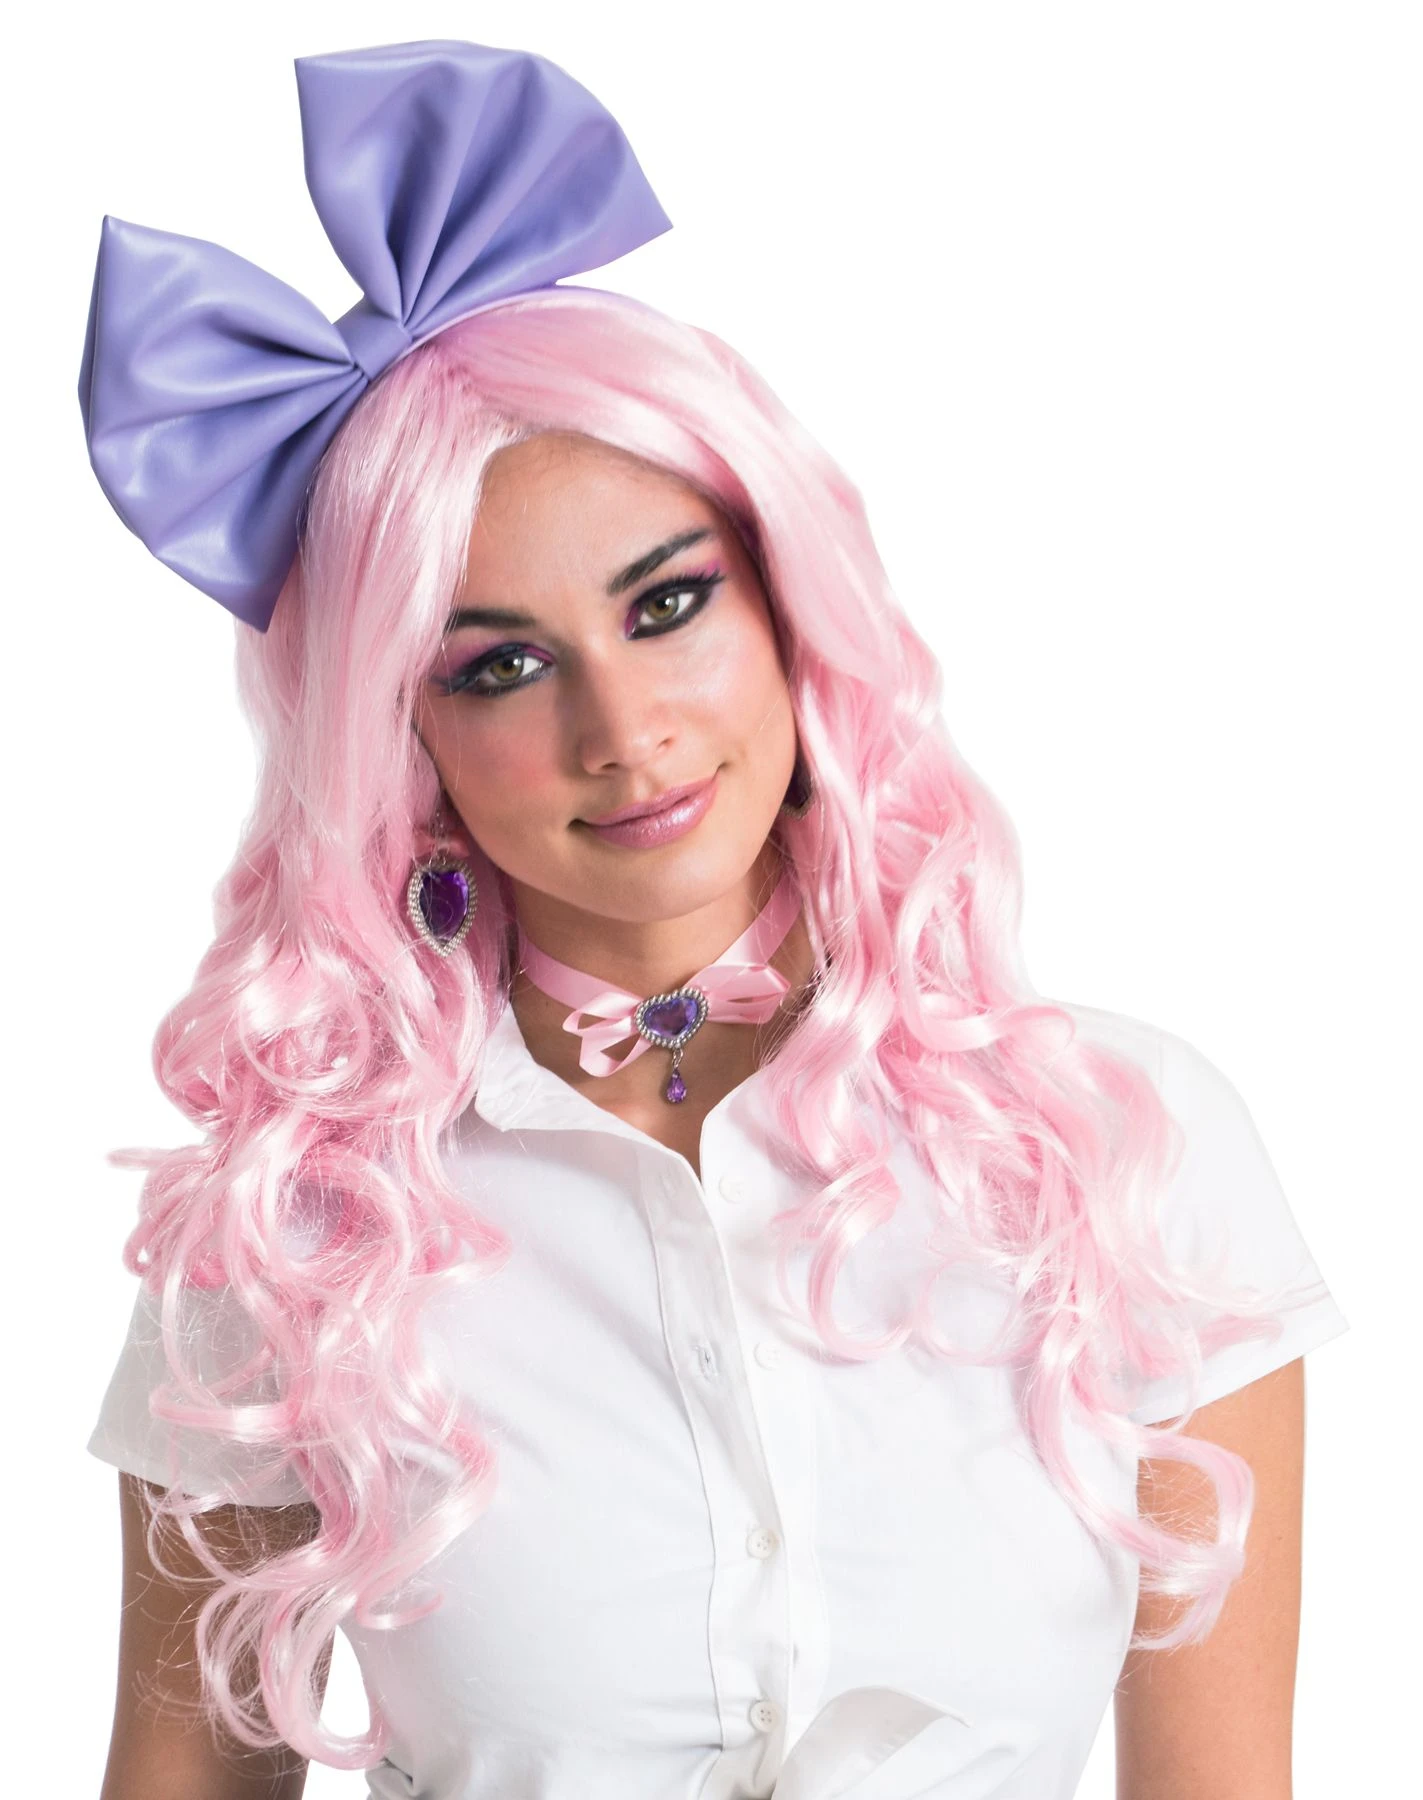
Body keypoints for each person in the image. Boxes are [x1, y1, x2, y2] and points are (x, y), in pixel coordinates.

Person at [82, 39, 1349, 1800]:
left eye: (668, 605)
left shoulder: (1125, 1150)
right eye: (500, 666)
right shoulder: (294, 1230)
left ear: (787, 612)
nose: (623, 731)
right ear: (402, 742)